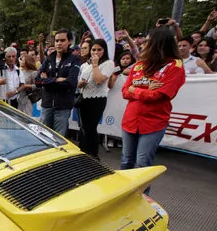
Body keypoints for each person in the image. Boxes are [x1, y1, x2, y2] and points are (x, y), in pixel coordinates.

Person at [121, 28, 186, 185]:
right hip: (130, 121)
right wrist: (143, 90)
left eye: (148, 42)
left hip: (153, 123)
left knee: (142, 164)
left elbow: (160, 95)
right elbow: (124, 91)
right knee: (126, 162)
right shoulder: (139, 65)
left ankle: (142, 200)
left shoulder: (174, 67)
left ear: (159, 44)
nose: (144, 44)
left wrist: (134, 90)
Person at [35, 28, 81, 136]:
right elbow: (37, 81)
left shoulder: (74, 59)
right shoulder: (49, 59)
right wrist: (55, 80)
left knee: (59, 138)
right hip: (47, 105)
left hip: (63, 106)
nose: (59, 43)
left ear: (69, 41)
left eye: (62, 40)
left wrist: (47, 81)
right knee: (43, 137)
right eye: (57, 41)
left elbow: (70, 83)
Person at [77, 39, 114, 159]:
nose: (96, 52)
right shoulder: (86, 65)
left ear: (104, 50)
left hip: (97, 100)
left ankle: (93, 155)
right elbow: (79, 82)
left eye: (99, 50)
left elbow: (99, 80)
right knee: (82, 127)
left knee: (91, 128)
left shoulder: (108, 63)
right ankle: (82, 152)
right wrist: (81, 83)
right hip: (84, 98)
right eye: (93, 49)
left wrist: (95, 64)